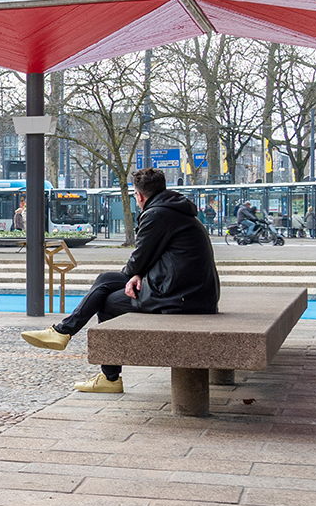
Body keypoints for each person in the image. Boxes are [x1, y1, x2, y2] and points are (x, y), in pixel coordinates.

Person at [20, 168, 219, 394]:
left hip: (181, 296)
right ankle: (63, 332)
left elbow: (140, 257)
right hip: (189, 290)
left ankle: (108, 376)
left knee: (108, 303)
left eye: (134, 195)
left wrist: (134, 273)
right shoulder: (174, 209)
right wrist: (136, 275)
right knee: (105, 279)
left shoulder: (157, 214)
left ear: (140, 195)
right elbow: (150, 257)